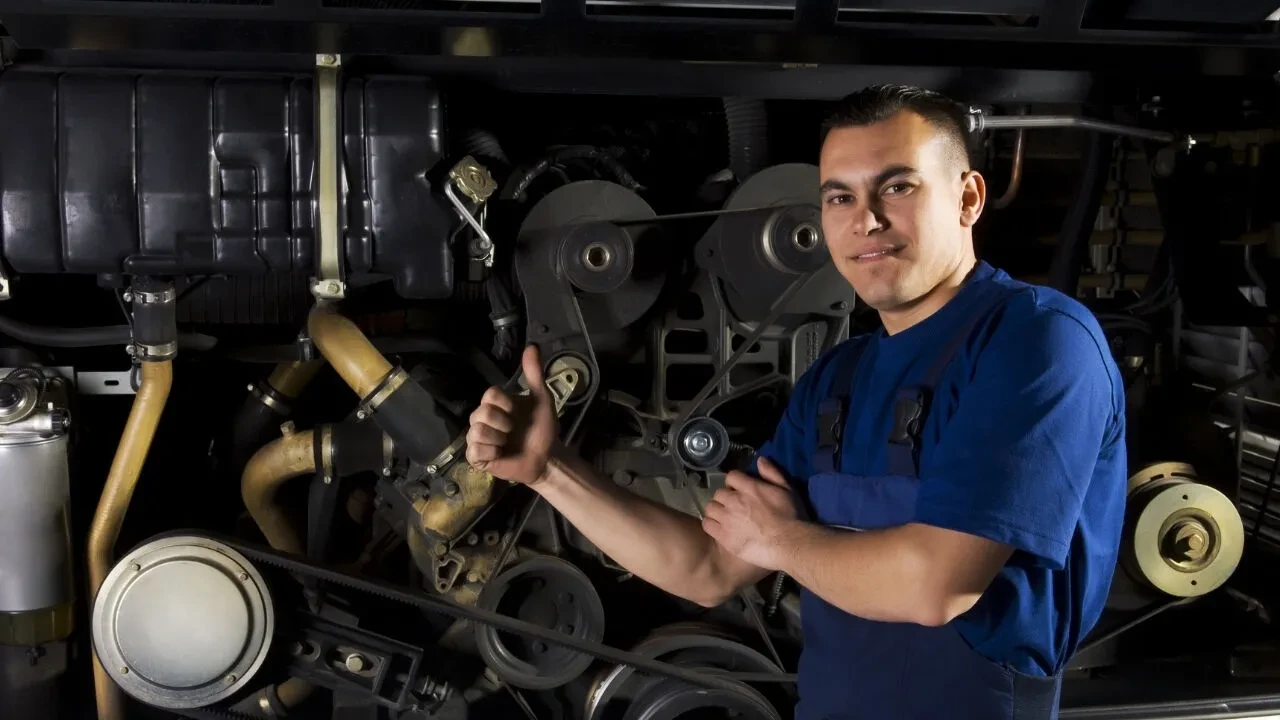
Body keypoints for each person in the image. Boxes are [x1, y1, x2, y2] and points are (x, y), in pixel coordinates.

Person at [465, 84, 1128, 720]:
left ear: (968, 197)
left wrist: (782, 539)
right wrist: (550, 470)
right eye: (840, 196)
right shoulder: (839, 377)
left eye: (898, 186)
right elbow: (708, 567)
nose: (866, 219)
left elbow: (937, 585)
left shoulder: (1035, 340)